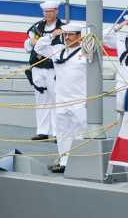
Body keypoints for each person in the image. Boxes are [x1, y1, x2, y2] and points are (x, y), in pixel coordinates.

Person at [35, 22, 93, 173]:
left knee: (80, 132)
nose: (67, 38)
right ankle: (64, 162)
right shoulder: (57, 50)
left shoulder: (86, 51)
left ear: (79, 36)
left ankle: (80, 163)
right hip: (61, 99)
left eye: (70, 35)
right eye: (65, 35)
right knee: (62, 133)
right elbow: (38, 48)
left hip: (79, 99)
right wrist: (52, 35)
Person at [24, 1, 64, 141]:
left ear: (56, 11)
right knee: (41, 99)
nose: (48, 14)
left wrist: (40, 43)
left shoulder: (63, 28)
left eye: (51, 11)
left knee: (55, 99)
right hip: (37, 67)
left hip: (53, 68)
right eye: (46, 12)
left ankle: (57, 132)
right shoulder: (37, 27)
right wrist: (31, 42)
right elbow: (28, 45)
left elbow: (61, 48)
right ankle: (42, 131)